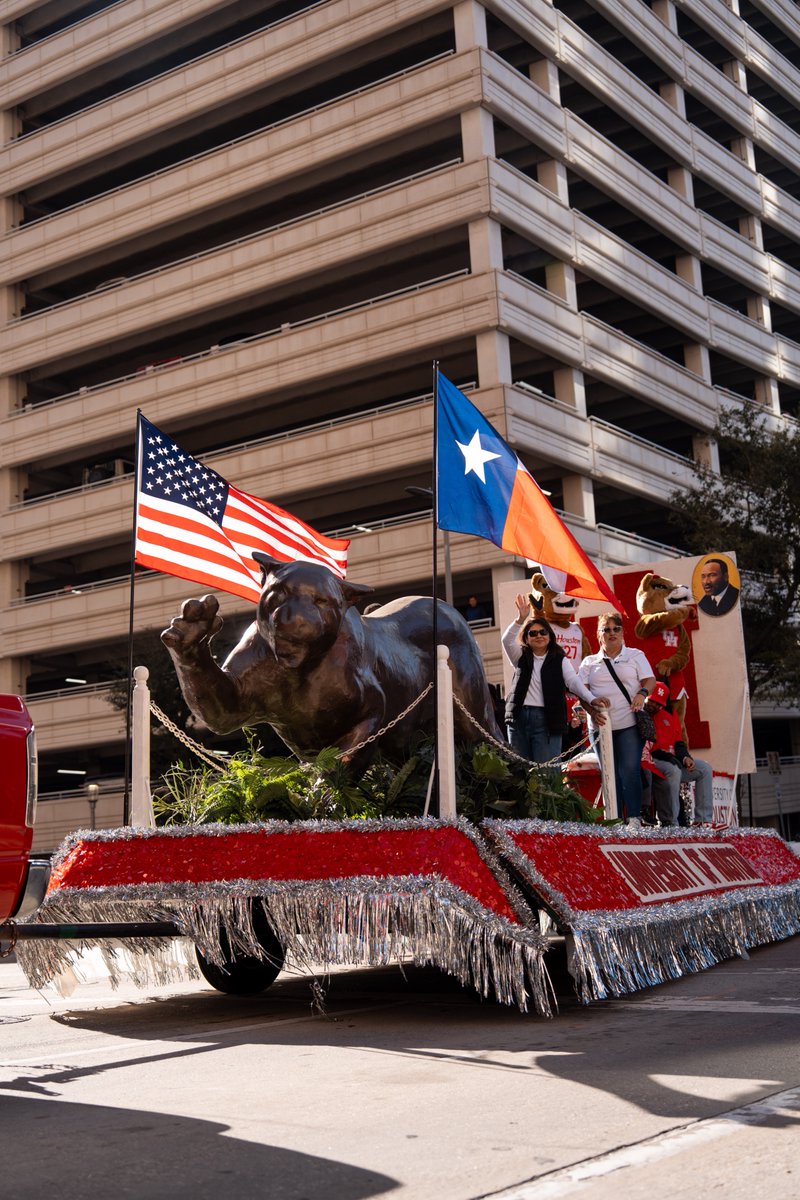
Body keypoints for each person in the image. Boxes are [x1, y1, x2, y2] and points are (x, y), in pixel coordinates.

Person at [502, 595, 604, 764]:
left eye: (543, 632)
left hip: (547, 719)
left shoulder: (559, 659)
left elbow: (574, 682)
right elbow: (506, 640)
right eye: (532, 633)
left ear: (550, 636)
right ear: (526, 638)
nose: (538, 636)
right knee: (520, 774)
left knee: (546, 774)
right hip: (519, 717)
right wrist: (520, 619)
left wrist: (592, 699)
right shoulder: (520, 656)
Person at [577, 612, 656, 828]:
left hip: (629, 723)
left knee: (629, 769)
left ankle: (634, 817)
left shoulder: (635, 655)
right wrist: (592, 712)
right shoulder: (588, 662)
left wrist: (641, 693)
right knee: (610, 773)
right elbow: (581, 691)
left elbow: (650, 679)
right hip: (600, 726)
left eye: (616, 629)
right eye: (606, 629)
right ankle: (615, 819)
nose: (612, 633)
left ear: (622, 632)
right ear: (598, 635)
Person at [645, 681, 714, 825]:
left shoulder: (670, 714)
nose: (654, 705)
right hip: (653, 761)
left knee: (704, 768)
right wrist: (674, 760)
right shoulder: (641, 714)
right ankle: (672, 824)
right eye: (651, 701)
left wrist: (685, 758)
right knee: (673, 770)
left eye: (658, 703)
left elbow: (678, 743)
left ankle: (703, 820)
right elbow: (648, 749)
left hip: (673, 761)